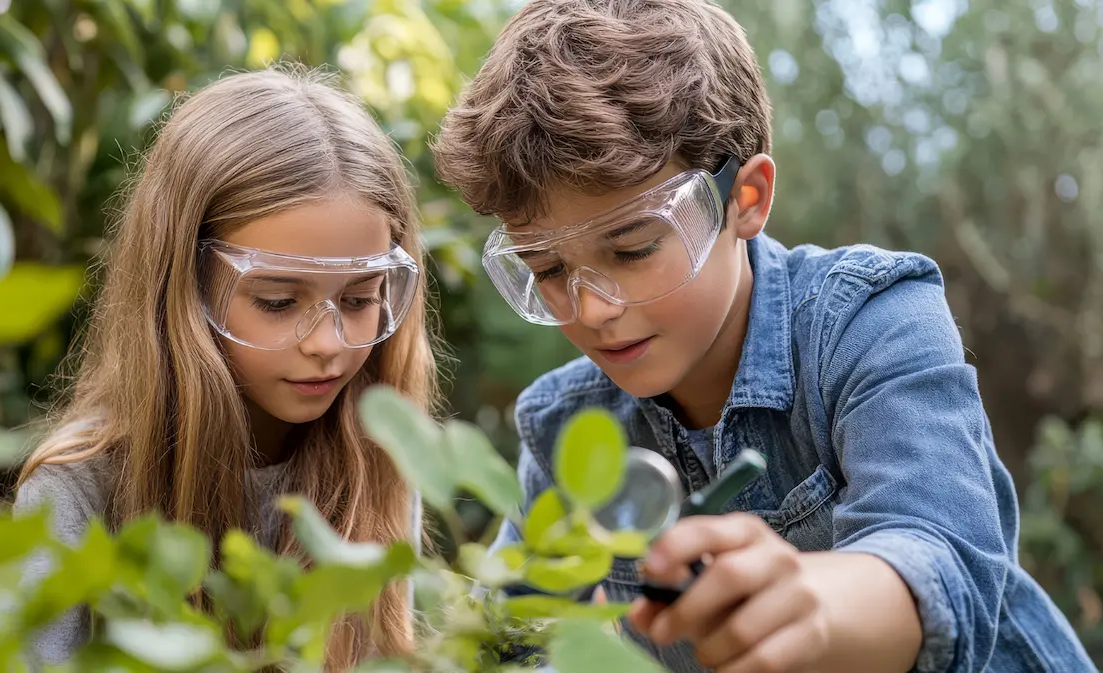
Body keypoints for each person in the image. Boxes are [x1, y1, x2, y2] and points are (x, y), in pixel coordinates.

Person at [432, 1, 1094, 671]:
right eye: (546, 269)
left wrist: (809, 604)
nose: (594, 309)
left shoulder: (871, 321)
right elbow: (504, 639)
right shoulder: (569, 429)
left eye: (632, 248)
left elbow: (940, 557)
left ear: (745, 199)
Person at [14, 66, 438, 671]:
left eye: (359, 298)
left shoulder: (383, 456)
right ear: (183, 287)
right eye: (277, 301)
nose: (326, 343)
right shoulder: (80, 490)